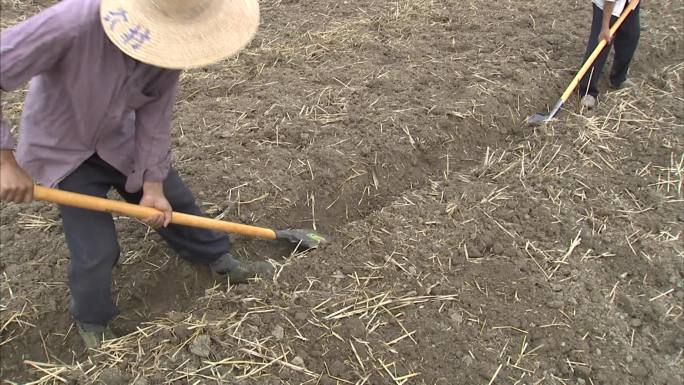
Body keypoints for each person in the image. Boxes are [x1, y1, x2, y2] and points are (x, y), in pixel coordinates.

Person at [0, 0, 273, 348]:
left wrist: (154, 184)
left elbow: (155, 117)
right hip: (63, 149)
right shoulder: (70, 23)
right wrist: (6, 163)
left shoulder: (174, 42)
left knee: (176, 203)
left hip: (119, 139)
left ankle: (217, 259)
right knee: (96, 250)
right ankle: (92, 319)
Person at [578, 0, 641, 109]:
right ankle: (587, 90)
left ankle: (619, 78)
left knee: (631, 35)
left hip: (630, 2)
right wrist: (605, 27)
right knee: (600, 45)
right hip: (606, 6)